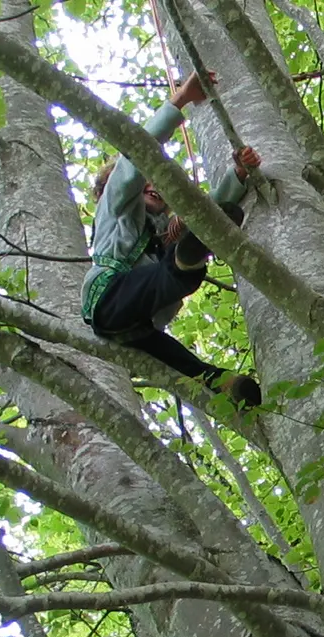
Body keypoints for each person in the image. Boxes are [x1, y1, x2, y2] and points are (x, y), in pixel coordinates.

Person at [82, 73, 262, 409]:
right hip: (111, 298)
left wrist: (238, 175)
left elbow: (207, 209)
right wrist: (181, 99)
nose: (155, 186)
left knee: (185, 363)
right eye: (149, 180)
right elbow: (136, 157)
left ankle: (226, 385)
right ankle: (186, 261)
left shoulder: (164, 231)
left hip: (139, 326)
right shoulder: (117, 209)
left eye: (162, 185)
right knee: (172, 268)